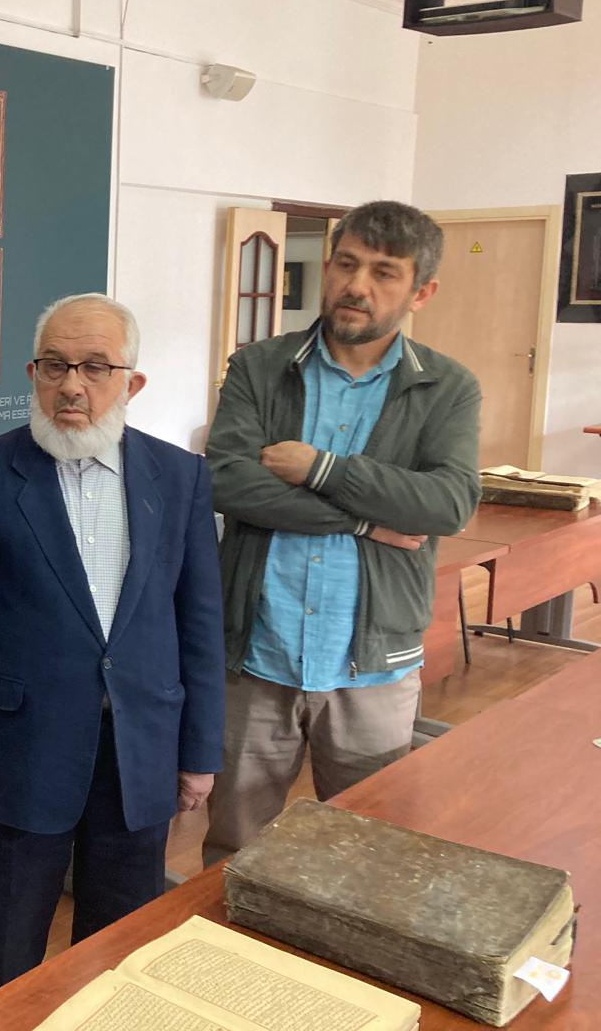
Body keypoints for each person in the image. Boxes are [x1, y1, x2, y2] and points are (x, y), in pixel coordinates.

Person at [0, 293, 225, 1007]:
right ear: (33, 374)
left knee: (121, 952)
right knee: (3, 960)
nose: (72, 386)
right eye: (55, 366)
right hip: (20, 753)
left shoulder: (180, 478)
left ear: (132, 383)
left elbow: (200, 627)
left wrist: (199, 751)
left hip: (139, 752)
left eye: (94, 367)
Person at [202, 200, 481, 866]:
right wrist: (366, 520)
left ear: (421, 292)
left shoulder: (447, 388)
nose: (358, 285)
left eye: (385, 273)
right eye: (347, 264)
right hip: (255, 655)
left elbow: (448, 503)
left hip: (372, 665)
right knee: (236, 850)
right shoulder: (259, 367)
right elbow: (224, 482)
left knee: (368, 856)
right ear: (328, 267)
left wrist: (321, 468)